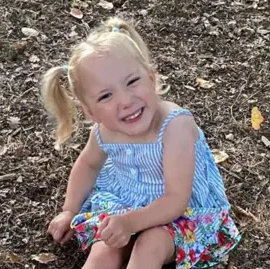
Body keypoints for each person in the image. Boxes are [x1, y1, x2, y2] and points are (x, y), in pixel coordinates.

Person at [42, 17, 241, 269]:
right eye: (106, 95)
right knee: (105, 247)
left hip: (178, 212)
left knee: (150, 245)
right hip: (125, 202)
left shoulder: (174, 126)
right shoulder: (104, 132)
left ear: (151, 78)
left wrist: (129, 223)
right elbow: (88, 165)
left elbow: (176, 199)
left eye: (132, 82)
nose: (125, 100)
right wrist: (70, 209)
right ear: (90, 111)